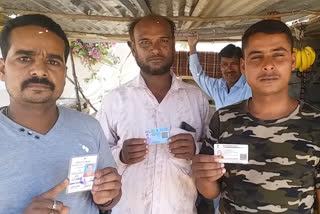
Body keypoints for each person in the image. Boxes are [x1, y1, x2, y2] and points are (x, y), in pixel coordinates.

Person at [192, 19, 320, 213]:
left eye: (278, 55)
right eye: (256, 57)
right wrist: (202, 176)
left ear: (292, 61)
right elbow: (211, 192)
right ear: (244, 67)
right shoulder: (223, 120)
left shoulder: (315, 124)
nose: (268, 65)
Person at [0, 14, 121, 214]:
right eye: (24, 58)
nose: (39, 70)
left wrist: (107, 198)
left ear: (64, 71)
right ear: (3, 69)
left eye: (53, 61)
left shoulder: (89, 127)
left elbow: (107, 199)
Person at [96, 14, 211, 214]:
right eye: (145, 42)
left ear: (174, 44)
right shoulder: (114, 100)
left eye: (163, 40)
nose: (155, 49)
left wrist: (197, 148)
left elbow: (214, 151)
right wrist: (120, 155)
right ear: (133, 48)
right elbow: (97, 155)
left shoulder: (196, 99)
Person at [188, 32, 252, 110]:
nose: (229, 69)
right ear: (220, 67)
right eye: (225, 64)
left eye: (234, 64)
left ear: (242, 65)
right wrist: (192, 47)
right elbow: (197, 75)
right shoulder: (217, 87)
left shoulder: (250, 86)